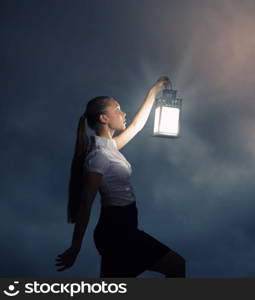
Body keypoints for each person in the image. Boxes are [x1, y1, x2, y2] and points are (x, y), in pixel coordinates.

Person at [55, 76, 186, 278]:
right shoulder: (98, 156)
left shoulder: (110, 147)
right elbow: (85, 206)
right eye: (117, 109)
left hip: (124, 228)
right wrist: (75, 249)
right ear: (103, 118)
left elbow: (136, 126)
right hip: (116, 231)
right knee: (176, 265)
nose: (123, 113)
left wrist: (153, 92)